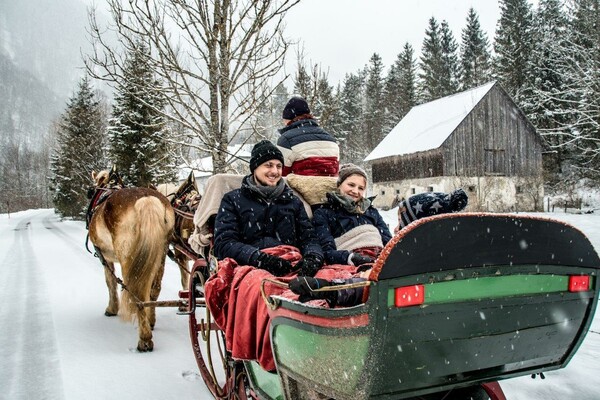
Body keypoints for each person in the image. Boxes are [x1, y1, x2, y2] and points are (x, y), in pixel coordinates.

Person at [291, 188, 469, 307]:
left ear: (418, 230)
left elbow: (373, 286)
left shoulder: (413, 261)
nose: (396, 229)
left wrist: (328, 289)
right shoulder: (460, 256)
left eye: (401, 223)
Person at [213, 139, 324, 277]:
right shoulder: (233, 200)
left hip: (291, 264)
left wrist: (313, 257)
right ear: (255, 168)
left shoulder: (293, 202)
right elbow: (224, 243)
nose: (275, 171)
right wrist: (259, 259)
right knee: (264, 287)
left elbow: (309, 238)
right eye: (268, 165)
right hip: (250, 267)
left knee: (324, 282)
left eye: (278, 166)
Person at [312, 163, 392, 267]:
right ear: (339, 184)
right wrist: (350, 257)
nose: (355, 191)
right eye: (351, 185)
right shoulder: (324, 213)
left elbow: (389, 243)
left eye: (361, 188)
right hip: (348, 264)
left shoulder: (371, 212)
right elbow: (326, 251)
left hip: (378, 262)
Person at [277, 96, 340, 177]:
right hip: (330, 188)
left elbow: (280, 173)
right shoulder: (331, 140)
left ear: (288, 119)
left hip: (299, 188)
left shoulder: (286, 140)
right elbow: (335, 170)